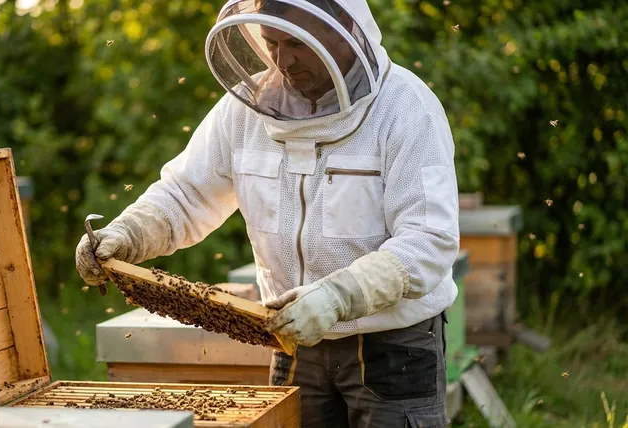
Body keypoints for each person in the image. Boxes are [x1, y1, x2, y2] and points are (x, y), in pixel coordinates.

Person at [76, 0, 460, 426]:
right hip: (291, 337)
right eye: (272, 42)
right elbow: (187, 193)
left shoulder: (406, 109)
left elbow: (429, 240)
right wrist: (130, 231)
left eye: (297, 43)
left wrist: (339, 296)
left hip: (393, 343)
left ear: (344, 32)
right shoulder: (247, 108)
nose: (282, 59)